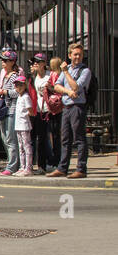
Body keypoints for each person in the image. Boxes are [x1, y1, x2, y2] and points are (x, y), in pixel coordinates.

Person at [51, 42, 91, 179]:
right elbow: (56, 86)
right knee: (65, 139)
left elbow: (76, 87)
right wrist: (67, 91)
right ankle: (62, 168)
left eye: (80, 54)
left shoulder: (84, 71)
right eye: (75, 54)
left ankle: (81, 168)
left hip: (77, 107)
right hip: (67, 107)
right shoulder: (66, 69)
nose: (78, 57)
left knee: (79, 138)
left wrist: (67, 73)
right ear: (69, 55)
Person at [0, 49, 22, 176]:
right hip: (4, 109)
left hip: (12, 109)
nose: (2, 62)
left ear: (12, 62)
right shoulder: (5, 75)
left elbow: (17, 92)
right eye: (2, 60)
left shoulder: (15, 76)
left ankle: (12, 166)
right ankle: (12, 162)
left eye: (5, 60)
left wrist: (3, 92)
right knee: (5, 138)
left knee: (11, 139)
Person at [32, 54, 62, 175]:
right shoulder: (34, 77)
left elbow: (58, 89)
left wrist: (50, 87)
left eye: (38, 62)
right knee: (41, 138)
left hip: (51, 109)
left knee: (55, 137)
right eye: (34, 62)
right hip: (39, 110)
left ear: (44, 63)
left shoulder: (51, 75)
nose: (36, 64)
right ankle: (41, 165)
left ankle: (55, 163)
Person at [11, 74, 36, 177]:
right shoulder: (19, 97)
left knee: (26, 147)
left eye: (20, 85)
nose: (18, 87)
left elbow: (31, 111)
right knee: (21, 147)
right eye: (16, 85)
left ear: (24, 86)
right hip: (18, 126)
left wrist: (26, 115)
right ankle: (22, 167)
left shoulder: (26, 97)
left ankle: (28, 168)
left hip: (24, 125)